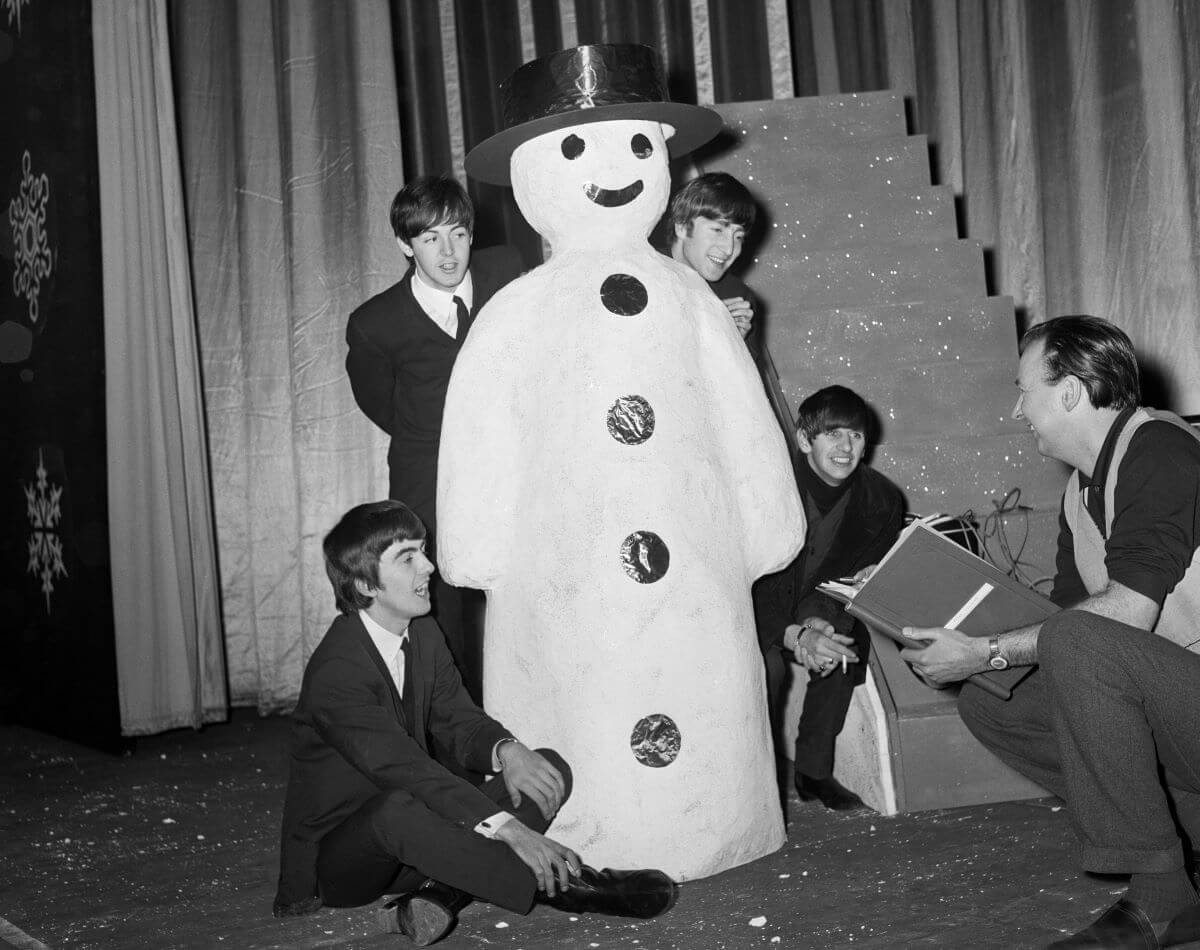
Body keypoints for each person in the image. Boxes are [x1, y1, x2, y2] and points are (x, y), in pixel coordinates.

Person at [899, 315, 1200, 949]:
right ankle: (1186, 837)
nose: (1017, 408)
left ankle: (1165, 897)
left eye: (1024, 388)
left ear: (1068, 392)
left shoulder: (1160, 447)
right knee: (992, 698)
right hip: (1175, 700)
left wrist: (987, 650)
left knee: (1070, 646)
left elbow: (1127, 611)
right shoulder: (1077, 494)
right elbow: (1064, 614)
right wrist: (951, 630)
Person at [273, 501, 677, 946]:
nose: (428, 566)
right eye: (407, 557)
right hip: (349, 859)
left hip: (419, 837)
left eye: (423, 549)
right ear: (367, 583)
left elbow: (457, 719)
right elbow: (403, 767)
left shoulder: (421, 631)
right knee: (397, 808)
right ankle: (574, 888)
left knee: (543, 768)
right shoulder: (337, 670)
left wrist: (507, 750)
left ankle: (441, 893)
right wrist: (511, 830)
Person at [345, 175, 522, 704]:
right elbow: (379, 403)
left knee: (528, 589)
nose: (449, 252)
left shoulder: (508, 272)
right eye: (430, 239)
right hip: (429, 475)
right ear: (405, 245)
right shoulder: (375, 323)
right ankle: (457, 732)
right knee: (440, 606)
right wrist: (440, 440)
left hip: (515, 467)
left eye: (459, 234)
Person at [754, 386, 905, 811]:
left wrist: (820, 625)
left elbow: (844, 583)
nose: (845, 447)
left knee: (842, 648)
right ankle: (758, 782)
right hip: (755, 602)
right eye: (832, 434)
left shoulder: (882, 500)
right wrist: (794, 636)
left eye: (855, 436)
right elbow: (742, 585)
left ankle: (813, 774)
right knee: (768, 670)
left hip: (819, 598)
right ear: (805, 440)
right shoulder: (764, 486)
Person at [667, 172, 759, 349]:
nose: (729, 249)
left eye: (739, 236)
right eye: (718, 230)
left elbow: (741, 376)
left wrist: (733, 346)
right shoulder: (641, 274)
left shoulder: (738, 297)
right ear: (682, 226)